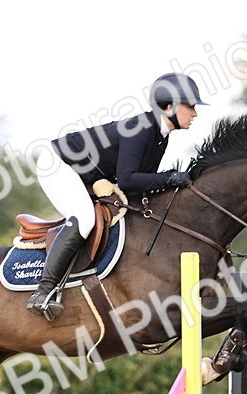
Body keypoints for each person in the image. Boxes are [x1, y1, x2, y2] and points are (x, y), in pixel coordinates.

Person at [26, 72, 208, 319]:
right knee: (84, 218)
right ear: (169, 106)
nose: (195, 113)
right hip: (57, 164)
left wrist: (176, 181)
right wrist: (171, 177)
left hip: (86, 174)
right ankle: (44, 291)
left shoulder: (160, 138)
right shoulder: (141, 129)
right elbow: (128, 179)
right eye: (191, 106)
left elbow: (139, 187)